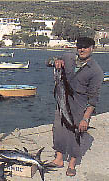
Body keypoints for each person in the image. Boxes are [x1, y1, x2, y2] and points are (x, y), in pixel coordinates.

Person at [47, 37, 104, 176]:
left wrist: (86, 118)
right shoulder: (67, 57)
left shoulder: (96, 71)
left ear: (92, 48)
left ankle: (72, 164)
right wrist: (55, 61)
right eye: (79, 46)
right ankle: (59, 159)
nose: (82, 49)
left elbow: (93, 99)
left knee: (76, 133)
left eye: (85, 47)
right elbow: (48, 61)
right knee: (58, 129)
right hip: (62, 102)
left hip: (79, 106)